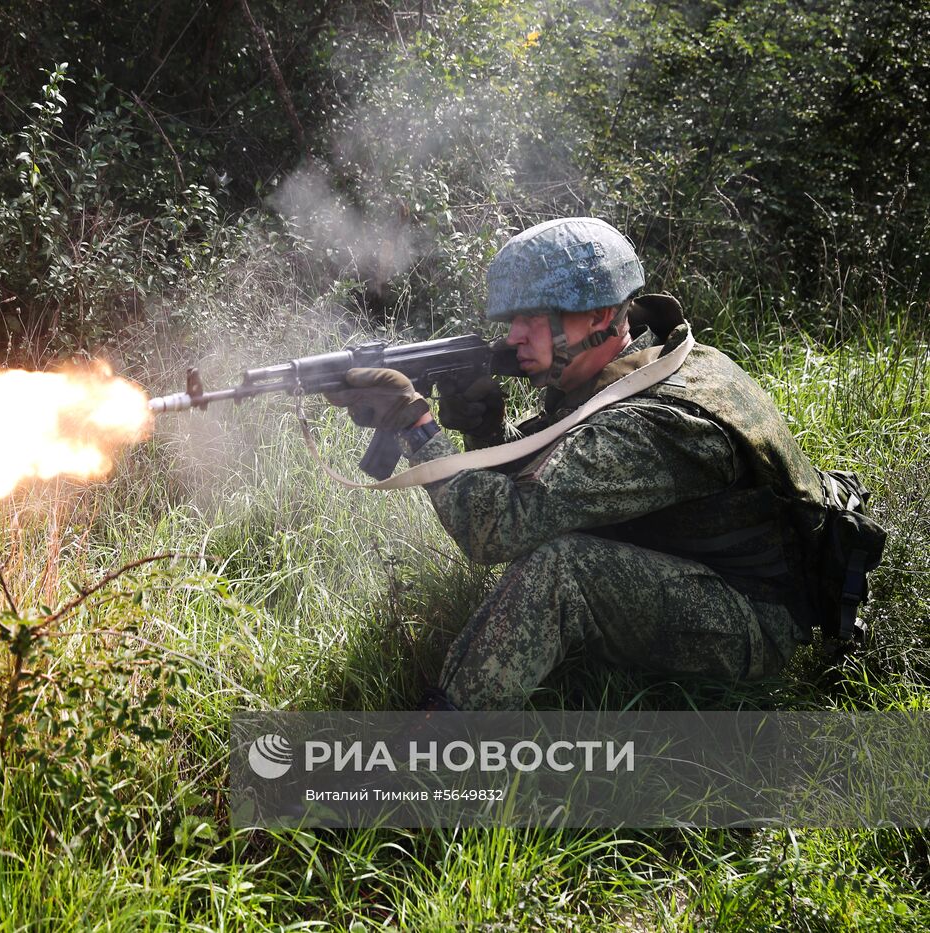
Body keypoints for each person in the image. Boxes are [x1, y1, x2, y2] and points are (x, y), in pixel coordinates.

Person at [325, 217, 826, 710]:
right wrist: (487, 431)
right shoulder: (630, 371)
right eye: (512, 321)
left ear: (600, 315)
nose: (513, 337)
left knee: (561, 570)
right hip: (692, 577)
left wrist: (415, 423)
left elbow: (496, 529)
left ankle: (438, 754)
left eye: (535, 319)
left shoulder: (651, 422)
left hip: (750, 620)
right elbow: (551, 478)